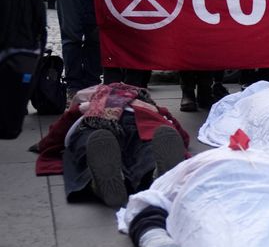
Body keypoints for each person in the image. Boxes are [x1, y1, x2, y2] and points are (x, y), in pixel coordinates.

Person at [33, 83, 189, 208]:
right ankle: (154, 175)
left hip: (95, 122)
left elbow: (59, 130)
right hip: (143, 122)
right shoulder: (149, 106)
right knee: (147, 149)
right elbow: (180, 136)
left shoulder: (90, 103)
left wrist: (43, 145)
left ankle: (97, 182)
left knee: (89, 146)